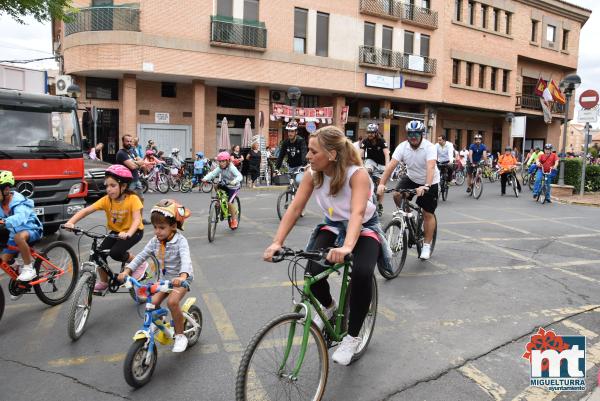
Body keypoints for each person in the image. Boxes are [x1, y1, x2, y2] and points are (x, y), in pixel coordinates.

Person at [264, 126, 391, 366]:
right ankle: (330, 307)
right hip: (332, 224)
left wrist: (347, 247)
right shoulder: (313, 173)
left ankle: (352, 337)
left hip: (363, 227)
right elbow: (295, 208)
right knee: (312, 269)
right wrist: (277, 242)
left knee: (362, 273)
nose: (308, 156)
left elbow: (357, 213)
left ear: (332, 154)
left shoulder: (357, 174)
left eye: (313, 151)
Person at [118, 199, 193, 353]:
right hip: (165, 281)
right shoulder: (155, 241)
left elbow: (186, 260)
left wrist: (183, 276)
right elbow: (140, 256)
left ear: (173, 226)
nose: (157, 231)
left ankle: (180, 336)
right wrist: (127, 271)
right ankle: (161, 322)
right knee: (152, 304)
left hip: (180, 280)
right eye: (155, 227)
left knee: (172, 303)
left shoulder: (181, 242)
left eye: (162, 227)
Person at [64, 165, 146, 292]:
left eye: (113, 186)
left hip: (134, 231)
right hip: (117, 232)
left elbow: (137, 220)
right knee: (98, 254)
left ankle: (139, 264)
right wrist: (70, 222)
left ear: (123, 186)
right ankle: (104, 282)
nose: (108, 189)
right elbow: (86, 211)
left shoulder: (133, 199)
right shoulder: (107, 200)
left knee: (116, 253)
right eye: (107, 186)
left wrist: (128, 233)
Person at [377, 120, 439, 260]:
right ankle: (409, 216)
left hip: (430, 181)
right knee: (397, 195)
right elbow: (391, 166)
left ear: (422, 134)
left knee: (427, 213)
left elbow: (430, 167)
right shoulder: (403, 147)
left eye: (417, 133)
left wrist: (426, 186)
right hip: (411, 177)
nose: (413, 136)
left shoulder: (429, 147)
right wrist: (381, 184)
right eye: (410, 133)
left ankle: (427, 246)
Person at [0, 170, 43, 282]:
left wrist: (4, 221)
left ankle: (29, 268)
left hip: (31, 229)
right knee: (2, 262)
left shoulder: (18, 201)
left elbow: (20, 218)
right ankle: (17, 273)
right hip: (13, 234)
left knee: (19, 237)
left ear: (6, 190)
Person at [202, 152, 243, 229]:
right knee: (216, 185)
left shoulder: (232, 168)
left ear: (228, 161)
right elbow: (212, 174)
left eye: (223, 161)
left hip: (233, 187)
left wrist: (234, 181)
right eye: (220, 161)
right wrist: (205, 178)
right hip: (225, 184)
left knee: (229, 203)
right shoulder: (219, 168)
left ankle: (234, 220)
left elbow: (239, 176)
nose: (221, 163)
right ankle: (218, 199)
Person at [116, 135, 148, 223]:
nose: (129, 143)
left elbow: (141, 161)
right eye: (127, 141)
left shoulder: (132, 151)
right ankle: (124, 219)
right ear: (123, 142)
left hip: (136, 180)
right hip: (127, 182)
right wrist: (138, 163)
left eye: (130, 141)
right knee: (126, 201)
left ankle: (140, 219)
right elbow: (132, 166)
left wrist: (136, 162)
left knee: (140, 199)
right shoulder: (121, 153)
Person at [360, 124, 389, 214]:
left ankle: (379, 205)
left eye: (372, 133)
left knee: (381, 185)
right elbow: (360, 153)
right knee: (367, 169)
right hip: (371, 162)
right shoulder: (365, 141)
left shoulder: (381, 141)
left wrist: (387, 166)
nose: (370, 134)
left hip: (381, 164)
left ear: (376, 133)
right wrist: (360, 165)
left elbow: (386, 154)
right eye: (368, 132)